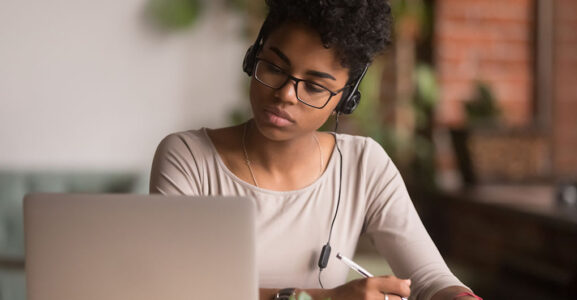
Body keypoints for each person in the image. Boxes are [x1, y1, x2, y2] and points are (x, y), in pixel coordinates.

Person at [150, 1, 483, 299]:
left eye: (314, 87)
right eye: (275, 68)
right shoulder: (188, 157)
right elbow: (174, 287)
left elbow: (429, 278)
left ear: (346, 98)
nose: (286, 95)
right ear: (253, 58)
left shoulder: (364, 165)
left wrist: (456, 296)